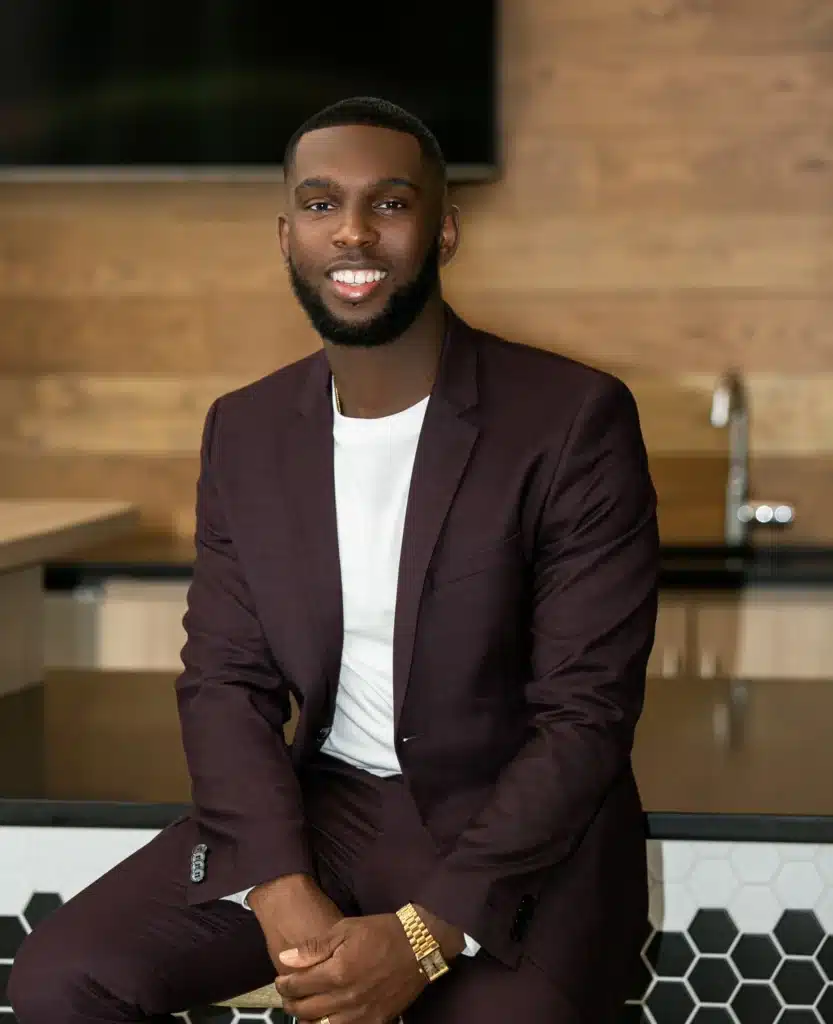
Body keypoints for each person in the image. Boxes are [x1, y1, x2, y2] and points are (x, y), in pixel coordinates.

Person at [9, 96, 659, 1024]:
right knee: (64, 980)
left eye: (389, 204)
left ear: (443, 230)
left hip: (512, 832)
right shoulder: (246, 429)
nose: (352, 230)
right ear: (286, 236)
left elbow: (584, 716)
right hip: (329, 810)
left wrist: (427, 935)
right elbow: (225, 681)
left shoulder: (568, 420)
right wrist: (276, 881)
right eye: (320, 205)